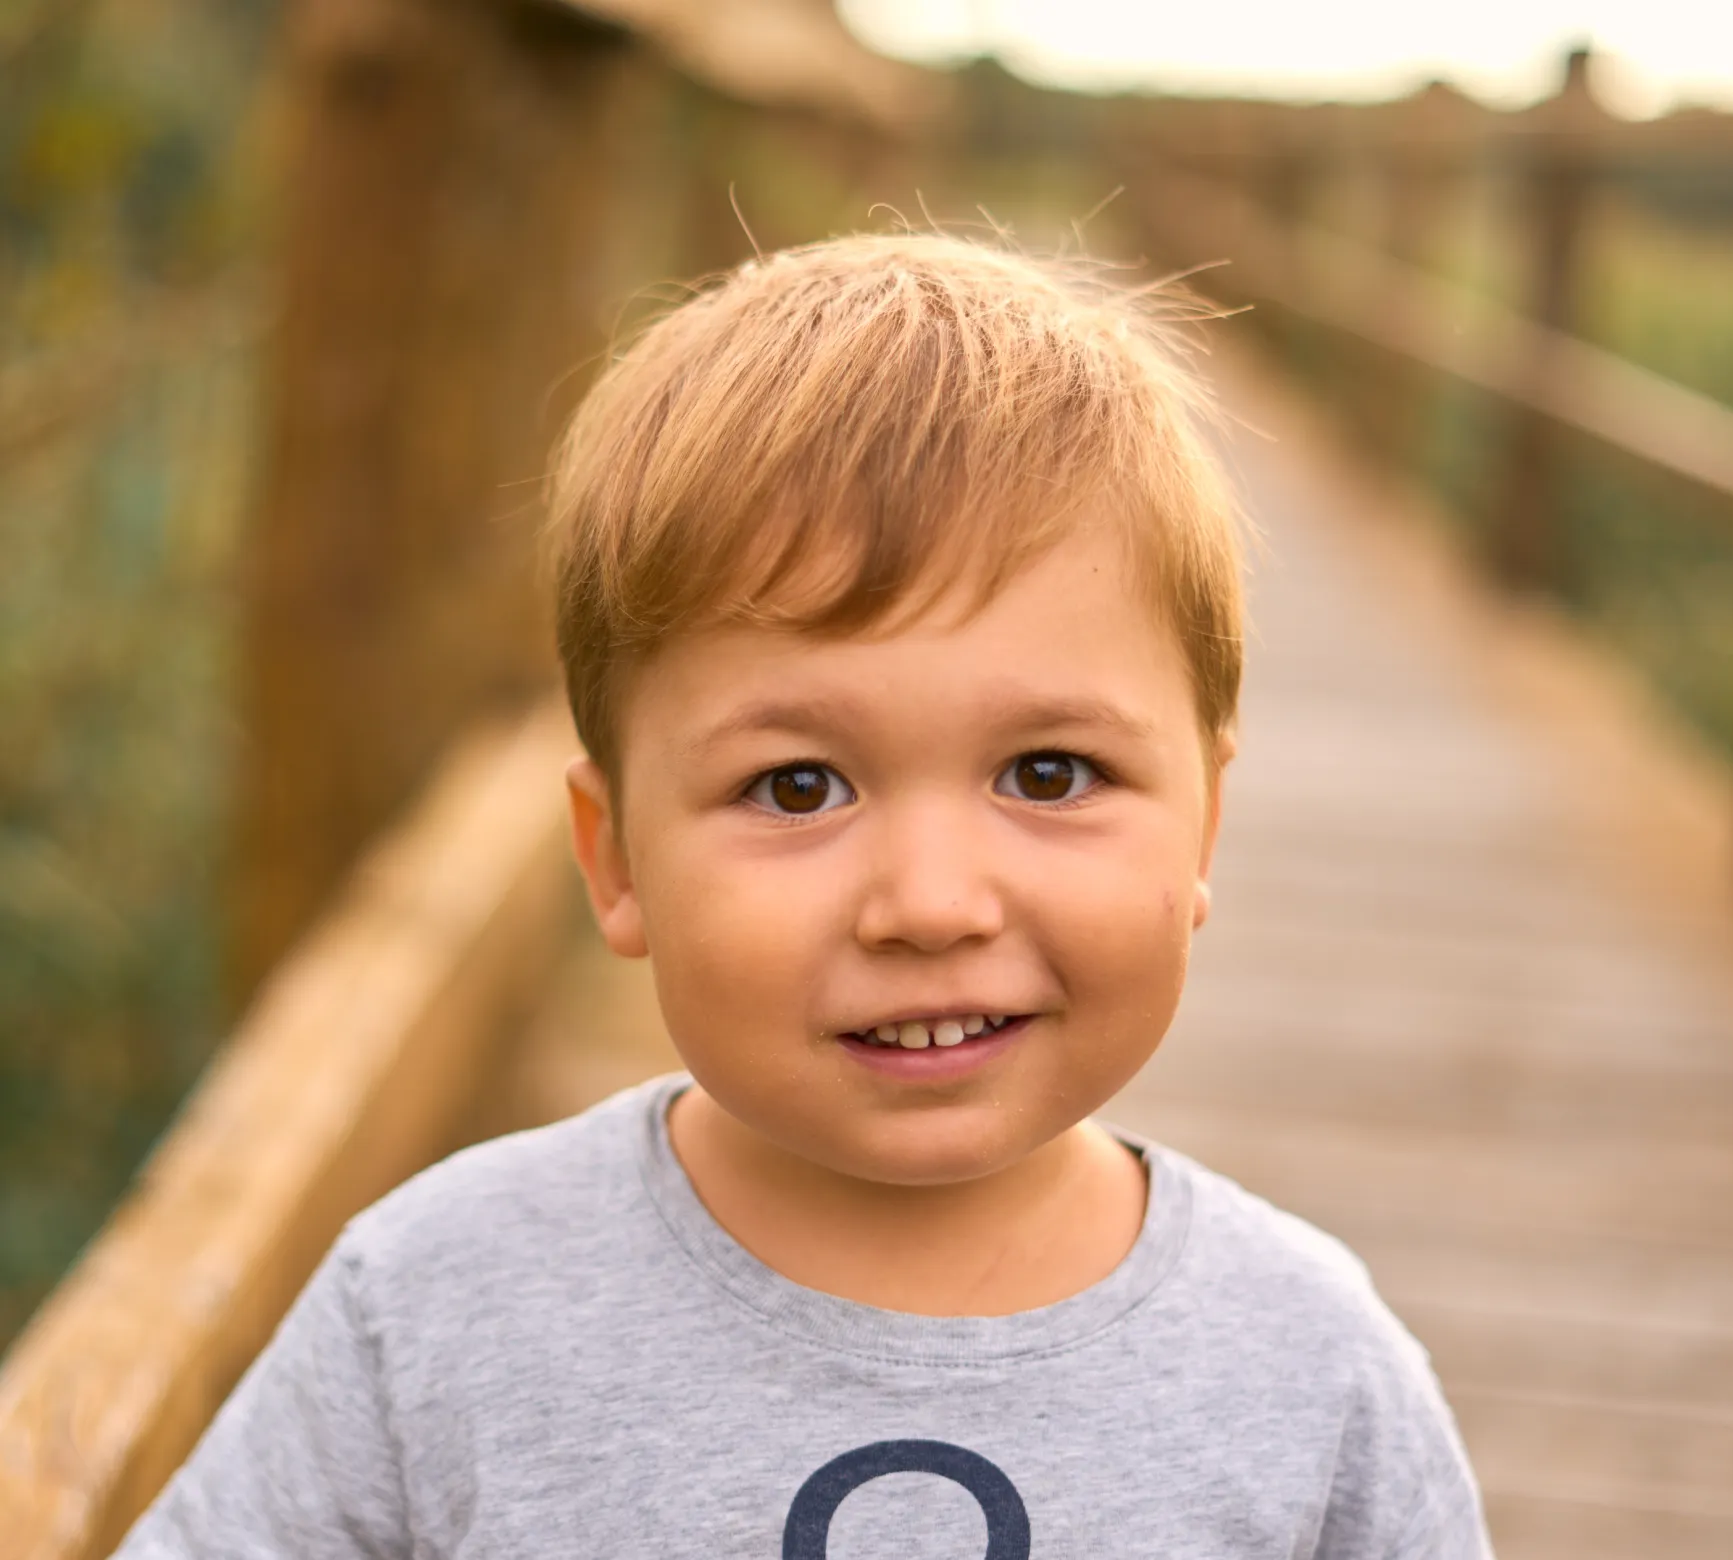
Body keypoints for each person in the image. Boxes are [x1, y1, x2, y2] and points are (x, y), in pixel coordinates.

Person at [115, 233, 1491, 1558]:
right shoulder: (436, 1302)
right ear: (616, 860)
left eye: (1049, 773)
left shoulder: (1311, 1376)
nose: (931, 904)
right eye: (797, 788)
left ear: (1206, 826)